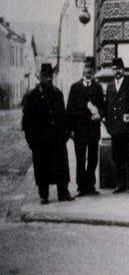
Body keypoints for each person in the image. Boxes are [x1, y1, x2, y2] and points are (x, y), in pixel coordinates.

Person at [22, 63, 73, 204]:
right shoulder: (32, 96)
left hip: (57, 140)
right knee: (42, 168)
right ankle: (43, 195)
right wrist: (31, 141)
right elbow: (27, 121)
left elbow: (64, 115)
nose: (48, 79)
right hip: (41, 142)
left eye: (50, 76)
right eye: (45, 77)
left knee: (61, 168)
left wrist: (65, 134)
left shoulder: (58, 94)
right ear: (40, 77)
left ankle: (63, 193)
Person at [66, 56, 105, 197]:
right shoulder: (75, 87)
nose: (88, 71)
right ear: (83, 69)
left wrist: (99, 114)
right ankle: (81, 186)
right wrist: (70, 129)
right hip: (80, 130)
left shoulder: (97, 87)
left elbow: (102, 106)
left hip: (93, 129)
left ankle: (91, 185)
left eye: (91, 68)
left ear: (94, 71)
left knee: (93, 158)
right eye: (86, 67)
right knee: (81, 158)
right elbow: (69, 109)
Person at [105, 57, 129, 193]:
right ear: (112, 71)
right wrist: (108, 124)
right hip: (115, 128)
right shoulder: (109, 86)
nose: (117, 72)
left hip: (128, 128)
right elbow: (107, 106)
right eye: (115, 69)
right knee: (117, 157)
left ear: (124, 70)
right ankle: (120, 184)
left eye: (119, 69)